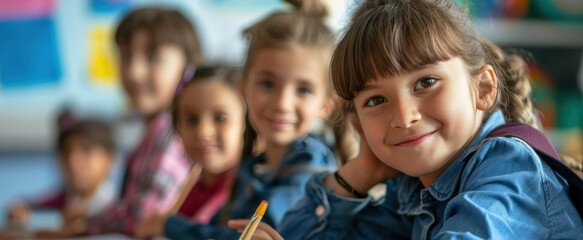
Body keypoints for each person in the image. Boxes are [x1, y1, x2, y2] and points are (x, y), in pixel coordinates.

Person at [233, 0, 583, 239]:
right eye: (377, 100)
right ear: (358, 123)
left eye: (426, 83)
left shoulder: (508, 167)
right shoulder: (413, 186)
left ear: (483, 88)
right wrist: (363, 170)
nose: (403, 116)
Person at [139, 0, 340, 239]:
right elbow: (226, 227)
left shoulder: (310, 165)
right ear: (243, 89)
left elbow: (254, 235)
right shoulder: (253, 167)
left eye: (303, 90)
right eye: (268, 84)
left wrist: (169, 226)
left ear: (327, 104)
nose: (282, 104)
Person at [88, 6, 203, 236]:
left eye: (153, 57)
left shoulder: (172, 134)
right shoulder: (151, 132)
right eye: (126, 56)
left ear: (189, 67)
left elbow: (144, 217)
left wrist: (85, 227)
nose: (134, 72)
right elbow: (131, 207)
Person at [134, 65, 246, 236]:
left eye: (220, 118)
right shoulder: (192, 187)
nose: (203, 132)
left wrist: (167, 225)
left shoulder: (247, 189)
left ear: (249, 123)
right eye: (191, 119)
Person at [4, 111, 116, 239]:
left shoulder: (118, 207)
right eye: (66, 152)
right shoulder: (63, 201)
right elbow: (30, 206)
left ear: (110, 159)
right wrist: (20, 210)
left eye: (86, 151)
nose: (73, 162)